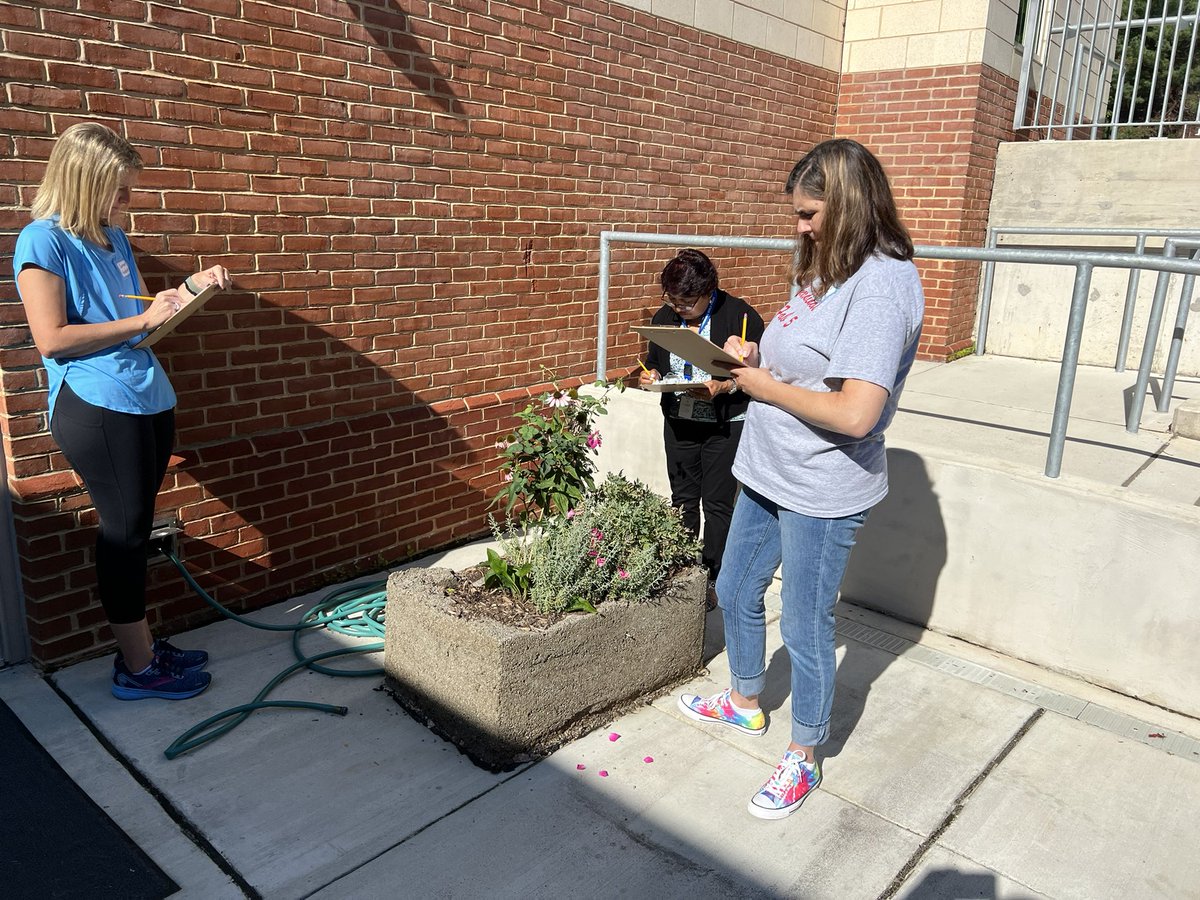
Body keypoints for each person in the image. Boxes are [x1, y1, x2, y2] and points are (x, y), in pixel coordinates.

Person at [678, 139, 925, 819]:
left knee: (807, 622)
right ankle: (746, 701)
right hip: (769, 465)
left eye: (811, 213)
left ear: (848, 204)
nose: (800, 226)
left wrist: (760, 385)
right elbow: (801, 359)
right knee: (734, 585)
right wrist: (754, 356)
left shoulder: (882, 286)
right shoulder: (826, 269)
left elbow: (854, 412)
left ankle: (805, 754)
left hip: (823, 484)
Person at [14, 122, 231, 700]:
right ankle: (136, 668)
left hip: (144, 393)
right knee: (126, 533)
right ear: (84, 182)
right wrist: (143, 319)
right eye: (119, 189)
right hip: (95, 403)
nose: (127, 202)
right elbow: (53, 339)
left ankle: (144, 648)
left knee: (135, 529)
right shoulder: (43, 240)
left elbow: (138, 332)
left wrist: (185, 295)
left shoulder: (114, 241)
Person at [638, 249, 764, 606]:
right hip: (680, 420)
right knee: (683, 502)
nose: (678, 307)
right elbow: (653, 359)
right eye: (672, 299)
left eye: (687, 301)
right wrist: (653, 375)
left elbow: (757, 375)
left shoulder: (739, 315)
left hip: (725, 424)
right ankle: (682, 572)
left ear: (709, 290)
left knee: (718, 503)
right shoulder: (666, 316)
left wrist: (724, 386)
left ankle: (711, 578)